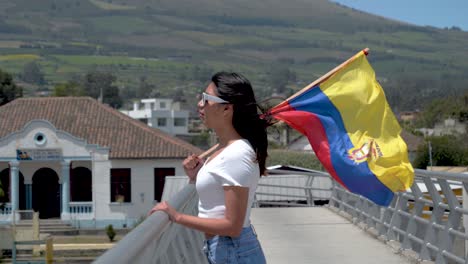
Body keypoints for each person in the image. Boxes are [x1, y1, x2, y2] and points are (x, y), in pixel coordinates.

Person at [148, 72, 269, 264]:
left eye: (206, 99)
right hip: (227, 249)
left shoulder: (236, 154)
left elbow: (232, 226)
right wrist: (196, 177)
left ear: (227, 109)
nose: (199, 104)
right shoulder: (224, 149)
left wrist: (176, 216)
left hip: (232, 250)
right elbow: (216, 199)